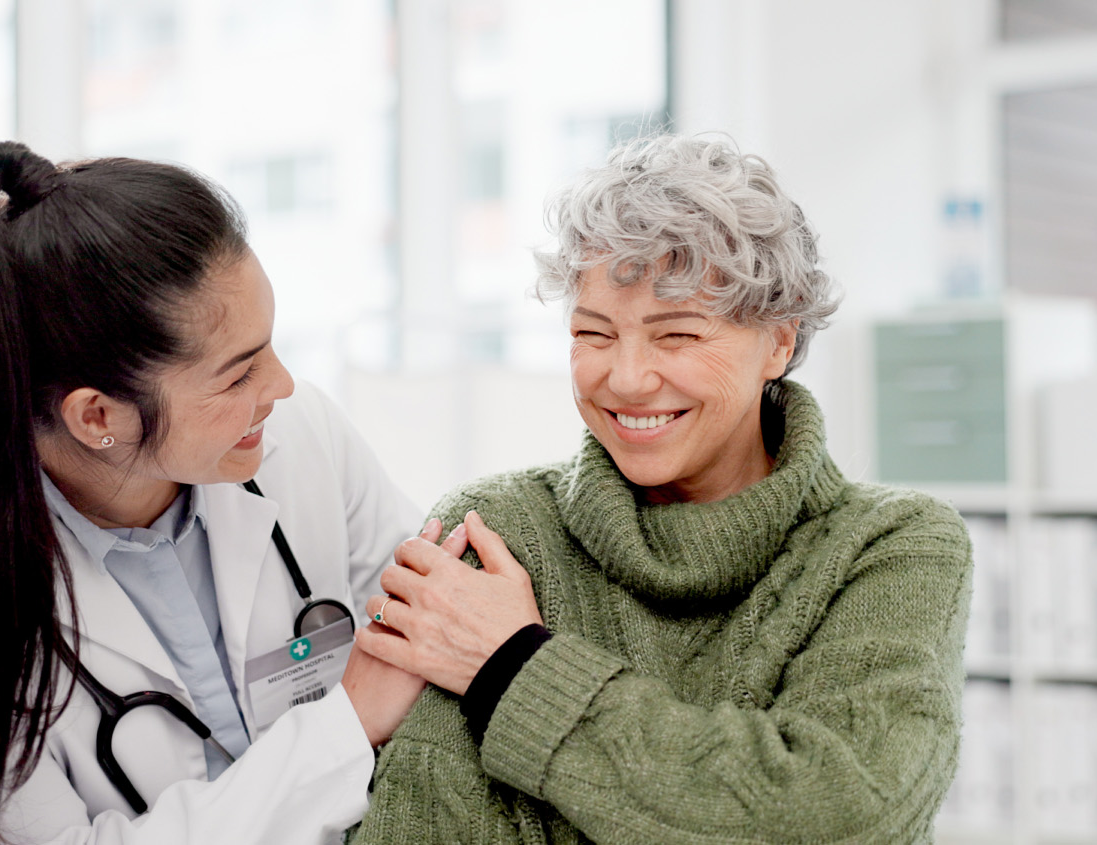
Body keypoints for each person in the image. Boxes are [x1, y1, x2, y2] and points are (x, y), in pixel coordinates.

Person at [350, 134, 973, 844]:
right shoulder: (500, 532)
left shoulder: (892, 545)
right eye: (594, 333)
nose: (627, 377)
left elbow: (842, 813)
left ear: (778, 340)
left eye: (675, 335)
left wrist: (514, 668)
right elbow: (425, 823)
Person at [0, 141, 445, 845]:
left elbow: (433, 648)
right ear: (97, 416)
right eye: (237, 373)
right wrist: (341, 729)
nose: (281, 386)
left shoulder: (301, 438)